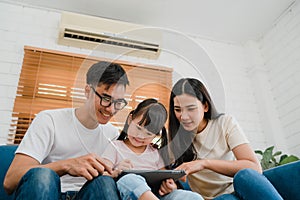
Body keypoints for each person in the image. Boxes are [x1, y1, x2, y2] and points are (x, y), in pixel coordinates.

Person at [4, 61, 129, 200]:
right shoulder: (49, 120)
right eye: (106, 98)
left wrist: (120, 172)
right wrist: (67, 165)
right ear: (88, 91)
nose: (111, 109)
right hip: (49, 194)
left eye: (118, 103)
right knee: (42, 175)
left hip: (87, 195)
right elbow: (10, 181)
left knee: (106, 183)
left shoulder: (112, 134)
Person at [167, 78, 283, 200]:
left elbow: (254, 168)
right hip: (215, 198)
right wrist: (171, 185)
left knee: (245, 175)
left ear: (205, 106)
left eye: (191, 108)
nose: (183, 116)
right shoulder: (175, 140)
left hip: (238, 188)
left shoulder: (224, 123)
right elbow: (164, 174)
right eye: (178, 110)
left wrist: (204, 164)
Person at [101, 98, 203, 200]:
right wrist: (116, 171)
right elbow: (102, 175)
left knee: (191, 196)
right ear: (130, 120)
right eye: (138, 128)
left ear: (156, 135)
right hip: (127, 195)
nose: (140, 136)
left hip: (156, 195)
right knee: (130, 179)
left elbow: (165, 177)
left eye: (148, 134)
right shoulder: (115, 147)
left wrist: (170, 186)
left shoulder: (155, 153)